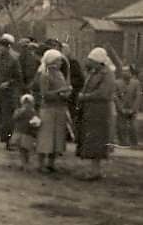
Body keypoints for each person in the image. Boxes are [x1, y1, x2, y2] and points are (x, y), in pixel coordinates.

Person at [77, 47, 117, 180]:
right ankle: (95, 170)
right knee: (92, 140)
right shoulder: (95, 72)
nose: (89, 63)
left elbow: (104, 93)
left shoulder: (108, 74)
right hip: (91, 111)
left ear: (98, 61)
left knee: (97, 141)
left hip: (100, 112)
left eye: (91, 61)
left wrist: (85, 96)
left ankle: (96, 171)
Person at [36, 49, 71, 173]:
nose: (61, 62)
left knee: (56, 138)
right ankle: (41, 164)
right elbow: (44, 94)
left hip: (59, 108)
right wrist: (59, 92)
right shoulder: (45, 75)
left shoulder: (60, 74)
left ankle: (51, 163)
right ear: (52, 61)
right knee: (46, 137)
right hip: (48, 109)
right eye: (58, 60)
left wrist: (66, 93)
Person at [10, 94, 40, 171]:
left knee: (26, 150)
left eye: (28, 103)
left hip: (28, 134)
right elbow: (14, 118)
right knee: (22, 150)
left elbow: (36, 123)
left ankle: (25, 164)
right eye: (25, 103)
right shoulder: (19, 111)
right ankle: (24, 164)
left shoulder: (33, 112)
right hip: (20, 133)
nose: (27, 104)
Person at [117, 65, 140, 148]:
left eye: (127, 71)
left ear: (130, 73)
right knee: (121, 126)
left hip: (132, 109)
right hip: (121, 109)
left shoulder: (136, 83)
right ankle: (122, 142)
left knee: (133, 126)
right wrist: (120, 108)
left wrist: (133, 109)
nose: (124, 73)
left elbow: (138, 97)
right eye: (123, 71)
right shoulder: (117, 83)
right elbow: (115, 97)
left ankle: (134, 143)